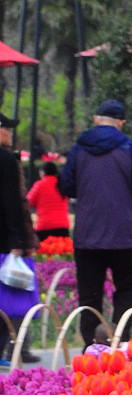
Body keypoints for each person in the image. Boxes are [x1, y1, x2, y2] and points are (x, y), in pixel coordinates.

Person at [58, 99, 132, 348]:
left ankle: (92, 344)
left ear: (95, 119)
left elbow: (66, 185)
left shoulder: (79, 149)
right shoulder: (130, 149)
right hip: (124, 234)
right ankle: (120, 340)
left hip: (87, 234)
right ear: (121, 123)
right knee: (126, 289)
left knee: (89, 294)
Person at [0, 110, 39, 366]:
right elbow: (12, 203)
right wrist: (18, 242)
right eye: (7, 128)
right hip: (3, 239)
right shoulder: (5, 159)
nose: (10, 133)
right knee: (4, 301)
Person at [26, 160, 70, 241]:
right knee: (62, 252)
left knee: (44, 252)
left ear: (43, 172)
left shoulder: (39, 185)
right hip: (63, 226)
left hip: (44, 226)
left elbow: (27, 204)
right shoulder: (62, 185)